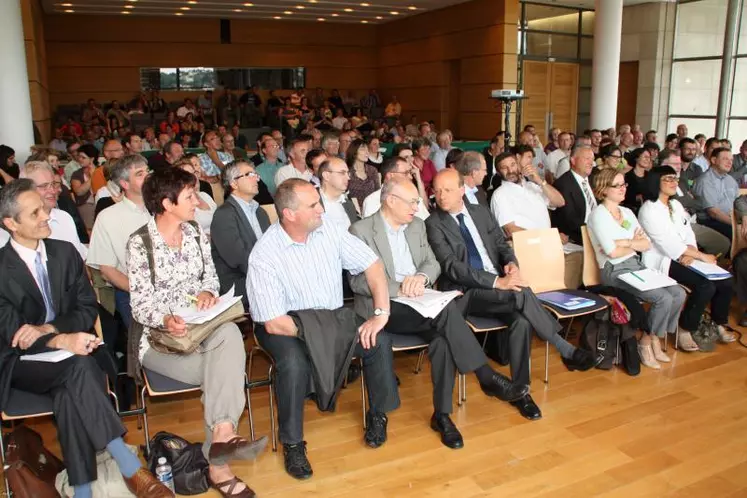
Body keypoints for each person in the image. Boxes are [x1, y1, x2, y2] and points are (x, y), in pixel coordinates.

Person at [0, 180, 172, 498]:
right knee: (79, 368)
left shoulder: (65, 252)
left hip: (72, 353)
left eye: (44, 207)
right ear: (11, 223)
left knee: (71, 388)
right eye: (35, 211)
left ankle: (82, 490)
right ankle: (129, 464)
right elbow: (12, 333)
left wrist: (50, 331)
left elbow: (86, 308)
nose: (46, 214)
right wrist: (59, 341)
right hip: (21, 363)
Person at [350, 176, 528, 438]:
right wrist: (399, 288)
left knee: (443, 341)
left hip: (421, 304)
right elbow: (355, 282)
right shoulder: (361, 231)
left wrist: (421, 278)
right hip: (384, 306)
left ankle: (441, 415)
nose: (417, 206)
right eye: (411, 202)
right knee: (447, 311)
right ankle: (486, 377)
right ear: (390, 201)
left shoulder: (417, 226)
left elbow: (432, 263)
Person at [246, 179, 400, 480]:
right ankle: (292, 443)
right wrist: (321, 336)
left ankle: (378, 413)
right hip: (285, 325)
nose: (321, 209)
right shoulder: (264, 254)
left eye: (319, 202)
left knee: (378, 340)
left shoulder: (327, 228)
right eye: (313, 205)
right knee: (293, 363)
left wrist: (381, 313)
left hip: (331, 319)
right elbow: (273, 321)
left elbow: (373, 265)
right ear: (289, 215)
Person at [127, 169, 266, 498]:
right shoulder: (140, 243)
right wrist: (165, 318)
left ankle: (220, 439)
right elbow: (139, 305)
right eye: (190, 196)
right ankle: (219, 461)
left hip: (202, 330)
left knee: (231, 332)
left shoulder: (193, 233)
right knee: (222, 372)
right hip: (162, 342)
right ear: (166, 203)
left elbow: (212, 280)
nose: (198, 201)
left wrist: (206, 293)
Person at [426, 170, 599, 419]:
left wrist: (512, 265)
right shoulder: (433, 223)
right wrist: (498, 281)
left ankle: (520, 391)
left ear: (462, 190)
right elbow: (452, 266)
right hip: (466, 293)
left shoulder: (479, 212)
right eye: (437, 190)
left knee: (522, 321)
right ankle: (564, 348)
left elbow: (500, 244)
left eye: (447, 190)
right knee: (520, 293)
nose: (441, 196)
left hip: (500, 286)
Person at [587, 168, 686, 369]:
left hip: (636, 266)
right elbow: (612, 253)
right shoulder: (598, 215)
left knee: (678, 293)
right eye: (618, 185)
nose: (624, 189)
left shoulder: (627, 212)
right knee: (663, 298)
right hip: (614, 270)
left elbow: (646, 244)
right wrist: (633, 242)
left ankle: (654, 336)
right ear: (604, 189)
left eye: (624, 184)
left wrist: (625, 242)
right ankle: (646, 341)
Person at [638, 166, 735, 353]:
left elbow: (688, 231)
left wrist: (692, 251)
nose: (675, 182)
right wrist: (696, 255)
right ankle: (685, 329)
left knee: (726, 280)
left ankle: (717, 323)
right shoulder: (648, 210)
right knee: (705, 286)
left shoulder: (676, 205)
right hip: (663, 260)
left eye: (675, 178)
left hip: (686, 256)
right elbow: (665, 243)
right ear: (656, 182)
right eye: (668, 179)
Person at [87, 155, 150, 330]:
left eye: (147, 171)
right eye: (140, 174)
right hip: (132, 293)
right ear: (124, 184)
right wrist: (143, 291)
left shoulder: (163, 207)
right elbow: (107, 271)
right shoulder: (108, 217)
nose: (148, 176)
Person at [210, 160, 270, 309]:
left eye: (255, 174)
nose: (256, 178)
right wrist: (270, 275)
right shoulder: (224, 214)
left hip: (264, 276)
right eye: (249, 175)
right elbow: (237, 258)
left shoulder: (260, 212)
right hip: (240, 283)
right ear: (234, 183)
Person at [18, 161, 87, 260]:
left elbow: (79, 259)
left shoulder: (64, 217)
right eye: (44, 186)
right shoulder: (17, 225)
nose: (53, 191)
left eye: (53, 184)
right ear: (25, 190)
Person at [362, 156, 429, 219]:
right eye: (406, 173)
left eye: (410, 173)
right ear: (390, 176)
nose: (410, 177)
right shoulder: (372, 202)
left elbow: (425, 222)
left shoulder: (414, 197)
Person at [693, 147, 739, 240]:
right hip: (710, 221)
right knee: (738, 234)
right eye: (725, 159)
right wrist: (736, 225)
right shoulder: (705, 180)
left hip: (731, 218)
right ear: (714, 160)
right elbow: (713, 212)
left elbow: (737, 203)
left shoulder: (731, 180)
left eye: (731, 160)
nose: (730, 162)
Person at [176, 157, 217, 235]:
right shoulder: (182, 204)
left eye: (194, 173)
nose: (194, 178)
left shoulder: (204, 195)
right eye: (188, 175)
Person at [317, 157, 359, 229]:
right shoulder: (312, 203)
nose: (348, 177)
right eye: (342, 173)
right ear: (326, 176)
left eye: (348, 173)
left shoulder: (349, 205)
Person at [346, 139, 380, 207]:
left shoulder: (372, 170)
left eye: (367, 150)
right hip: (353, 210)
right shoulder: (346, 171)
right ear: (354, 152)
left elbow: (377, 193)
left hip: (371, 208)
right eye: (363, 149)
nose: (367, 152)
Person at [622, 147, 653, 214]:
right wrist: (636, 198)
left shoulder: (651, 177)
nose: (648, 159)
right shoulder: (627, 176)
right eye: (645, 157)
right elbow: (624, 196)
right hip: (631, 211)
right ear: (636, 158)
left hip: (649, 211)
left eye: (649, 157)